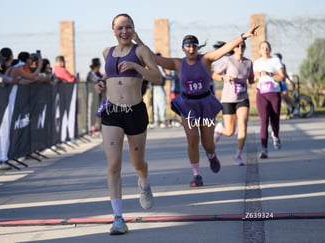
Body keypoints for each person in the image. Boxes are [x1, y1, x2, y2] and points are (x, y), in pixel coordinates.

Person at [138, 25, 259, 187]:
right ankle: (197, 175)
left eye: (194, 45)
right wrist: (136, 41)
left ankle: (211, 155)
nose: (191, 48)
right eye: (188, 46)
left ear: (197, 47)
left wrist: (243, 36)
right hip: (187, 104)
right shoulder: (177, 64)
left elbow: (224, 49)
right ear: (183, 48)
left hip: (205, 103)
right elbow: (152, 57)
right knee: (192, 138)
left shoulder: (205, 59)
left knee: (208, 143)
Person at [94, 13, 162, 235]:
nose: (124, 31)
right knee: (113, 165)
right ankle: (118, 218)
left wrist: (137, 67)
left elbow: (158, 78)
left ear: (133, 29)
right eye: (120, 28)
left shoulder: (141, 51)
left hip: (135, 111)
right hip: (112, 112)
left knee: (138, 163)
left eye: (128, 27)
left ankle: (144, 182)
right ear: (113, 30)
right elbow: (110, 79)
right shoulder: (107, 52)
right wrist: (101, 86)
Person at [212, 41, 255, 166]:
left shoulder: (249, 63)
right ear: (234, 48)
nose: (240, 48)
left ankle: (238, 156)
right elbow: (214, 75)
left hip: (242, 98)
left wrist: (257, 77)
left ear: (245, 48)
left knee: (243, 124)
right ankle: (220, 129)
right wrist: (224, 78)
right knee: (230, 131)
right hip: (228, 99)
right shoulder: (228, 61)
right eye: (238, 46)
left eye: (242, 46)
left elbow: (251, 80)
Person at [253, 41, 285, 159]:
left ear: (270, 49)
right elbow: (251, 80)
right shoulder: (256, 63)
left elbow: (282, 77)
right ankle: (264, 149)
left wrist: (269, 74)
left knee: (275, 120)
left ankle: (275, 135)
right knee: (264, 121)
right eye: (262, 48)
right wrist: (255, 77)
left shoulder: (275, 60)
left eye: (267, 47)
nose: (265, 49)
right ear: (260, 51)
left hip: (274, 93)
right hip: (262, 94)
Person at [151, 60, 172, 128]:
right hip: (157, 88)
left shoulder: (153, 67)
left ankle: (158, 121)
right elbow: (165, 76)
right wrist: (171, 77)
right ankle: (161, 120)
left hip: (156, 88)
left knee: (158, 104)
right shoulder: (159, 67)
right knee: (159, 104)